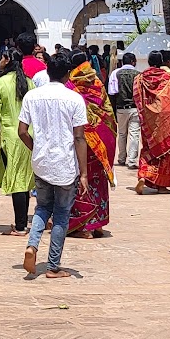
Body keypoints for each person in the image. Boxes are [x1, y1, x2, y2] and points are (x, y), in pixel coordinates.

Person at [18, 56, 90, 279]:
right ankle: (52, 266)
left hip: (41, 163)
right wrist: (84, 172)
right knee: (61, 214)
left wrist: (36, 149)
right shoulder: (74, 99)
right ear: (67, 74)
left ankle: (32, 245)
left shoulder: (32, 96)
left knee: (41, 207)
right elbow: (79, 137)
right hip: (65, 165)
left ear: (47, 72)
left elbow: (22, 131)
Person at [64, 50, 115, 238]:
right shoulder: (98, 84)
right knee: (97, 182)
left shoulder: (70, 85)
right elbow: (108, 115)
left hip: (80, 141)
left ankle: (83, 227)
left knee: (80, 180)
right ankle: (98, 224)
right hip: (100, 143)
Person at [0, 54, 36, 235]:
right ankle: (22, 222)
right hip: (29, 136)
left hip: (11, 137)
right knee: (24, 179)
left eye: (1, 57)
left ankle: (21, 225)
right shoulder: (30, 83)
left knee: (17, 181)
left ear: (6, 60)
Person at [135, 51, 170, 194]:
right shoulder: (168, 77)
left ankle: (143, 175)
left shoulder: (140, 78)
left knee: (148, 149)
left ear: (148, 61)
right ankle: (161, 186)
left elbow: (137, 98)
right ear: (162, 62)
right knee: (165, 152)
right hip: (164, 121)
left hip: (148, 121)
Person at [109, 52, 142, 169]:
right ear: (133, 61)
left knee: (122, 134)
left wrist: (113, 110)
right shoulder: (139, 75)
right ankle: (132, 161)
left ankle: (121, 158)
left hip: (121, 108)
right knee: (134, 134)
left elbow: (112, 93)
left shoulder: (115, 74)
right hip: (134, 108)